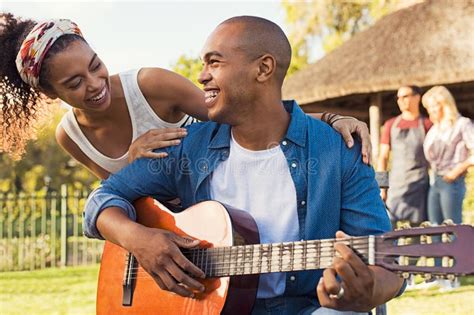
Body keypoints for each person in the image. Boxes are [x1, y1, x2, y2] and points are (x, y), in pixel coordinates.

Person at [83, 16, 404, 314]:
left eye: (214, 62)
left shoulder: (338, 151)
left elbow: (388, 264)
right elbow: (102, 200)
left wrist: (370, 291)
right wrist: (139, 240)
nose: (201, 76)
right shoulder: (187, 147)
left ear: (263, 68)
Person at [0, 13, 371, 181]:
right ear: (50, 93)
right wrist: (131, 162)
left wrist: (330, 120)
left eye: (95, 65)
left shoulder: (150, 85)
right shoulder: (71, 136)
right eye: (74, 83)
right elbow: (119, 195)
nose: (95, 83)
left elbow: (250, 116)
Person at [377, 85, 433, 227]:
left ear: (417, 97)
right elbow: (383, 157)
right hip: (395, 185)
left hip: (419, 185)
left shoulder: (427, 124)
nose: (401, 100)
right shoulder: (390, 125)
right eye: (398, 97)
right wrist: (382, 186)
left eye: (405, 96)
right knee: (388, 227)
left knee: (417, 230)